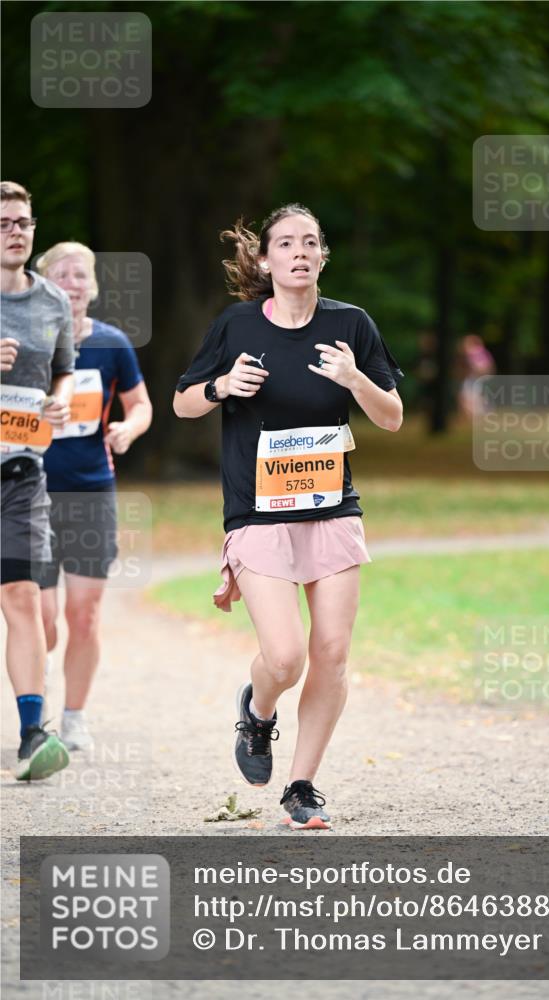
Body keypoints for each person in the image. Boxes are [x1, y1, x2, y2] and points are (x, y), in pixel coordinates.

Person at [174, 203, 403, 829]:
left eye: (311, 242)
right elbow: (183, 403)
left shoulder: (351, 325)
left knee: (331, 651)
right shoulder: (237, 326)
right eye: (286, 243)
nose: (299, 252)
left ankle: (302, 786)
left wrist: (357, 379)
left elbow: (392, 416)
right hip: (256, 515)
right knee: (285, 658)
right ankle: (259, 711)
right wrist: (223, 387)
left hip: (332, 508)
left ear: (323, 256)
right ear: (268, 259)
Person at [35, 242, 152, 751]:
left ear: (93, 285)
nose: (73, 282)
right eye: (62, 274)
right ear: (43, 284)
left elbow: (142, 404)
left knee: (83, 614)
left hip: (90, 492)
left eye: (81, 274)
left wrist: (129, 429)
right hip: (29, 491)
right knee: (40, 619)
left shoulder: (112, 343)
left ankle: (74, 717)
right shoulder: (22, 342)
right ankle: (32, 713)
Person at [0, 180, 73, 780]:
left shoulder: (51, 301)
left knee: (23, 597)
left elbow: (65, 373)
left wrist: (59, 402)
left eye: (22, 221)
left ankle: (32, 732)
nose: (15, 231)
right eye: (3, 223)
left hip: (22, 470)